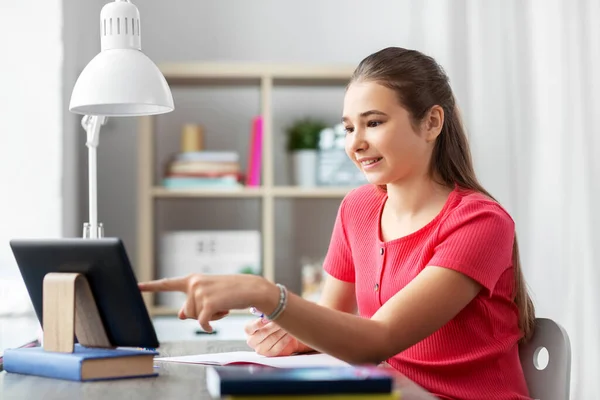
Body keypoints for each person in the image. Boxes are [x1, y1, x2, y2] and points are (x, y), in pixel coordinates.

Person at [139, 47, 535, 400]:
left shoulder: (480, 222)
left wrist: (262, 293)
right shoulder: (357, 208)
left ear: (432, 123)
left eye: (374, 123)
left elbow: (375, 342)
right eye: (348, 128)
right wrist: (293, 336)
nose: (355, 143)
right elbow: (331, 320)